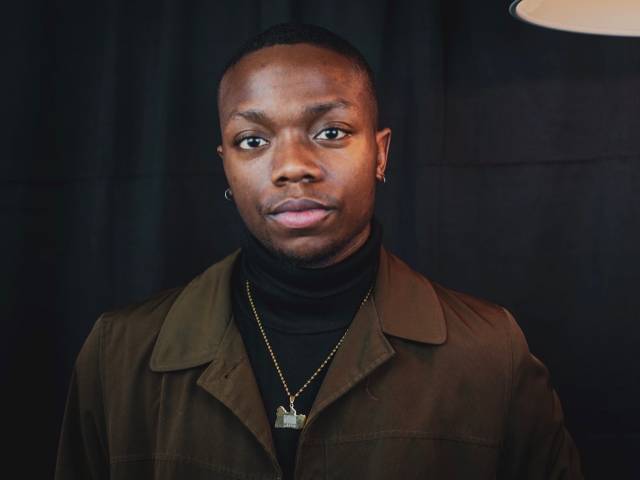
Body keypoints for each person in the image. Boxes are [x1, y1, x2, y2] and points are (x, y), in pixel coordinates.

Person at [55, 22, 583, 479]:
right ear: (225, 165)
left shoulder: (491, 352)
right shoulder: (120, 352)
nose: (292, 166)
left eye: (330, 131)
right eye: (253, 141)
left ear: (379, 153)